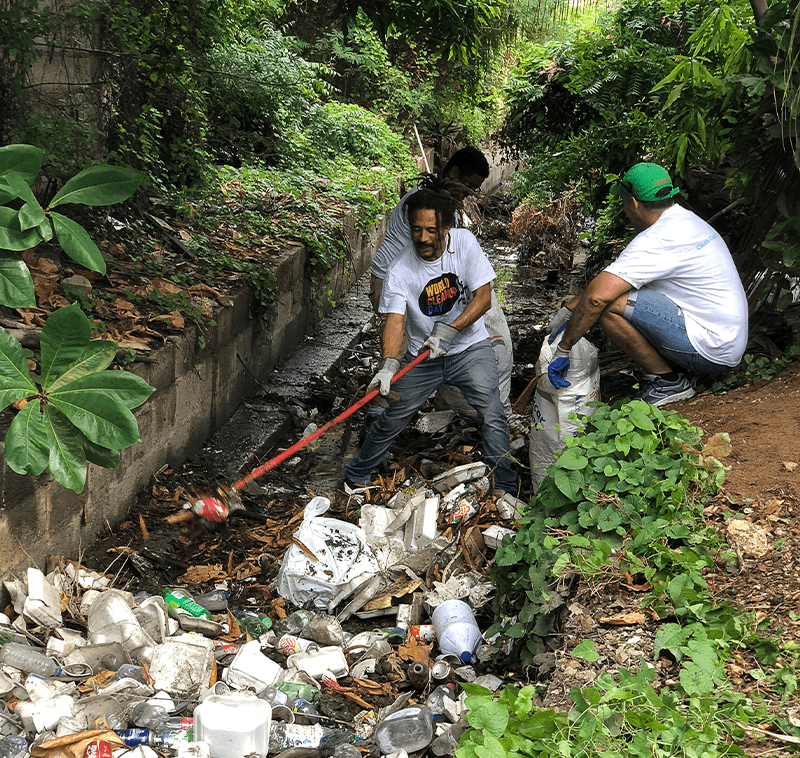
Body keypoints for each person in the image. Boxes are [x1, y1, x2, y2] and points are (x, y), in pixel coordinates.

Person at [345, 189, 517, 494]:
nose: (422, 238)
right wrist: (388, 365)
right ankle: (356, 474)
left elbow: (483, 297)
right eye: (416, 229)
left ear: (446, 229)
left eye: (431, 230)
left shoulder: (464, 244)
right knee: (392, 414)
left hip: (469, 350)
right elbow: (395, 321)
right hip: (422, 355)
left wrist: (450, 330)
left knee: (492, 412)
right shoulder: (400, 270)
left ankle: (504, 485)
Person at [545, 162, 748, 407]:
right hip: (725, 339)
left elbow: (598, 297)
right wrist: (569, 309)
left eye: (624, 203)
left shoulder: (657, 239)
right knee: (618, 291)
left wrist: (564, 349)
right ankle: (673, 370)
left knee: (609, 304)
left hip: (712, 349)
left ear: (634, 203)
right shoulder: (684, 221)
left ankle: (667, 381)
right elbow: (609, 280)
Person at [370, 146, 514, 414]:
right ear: (455, 173)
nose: (470, 194)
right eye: (468, 186)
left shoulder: (445, 208)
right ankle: (379, 412)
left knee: (423, 341)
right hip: (393, 280)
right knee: (401, 348)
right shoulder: (422, 203)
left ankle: (394, 403)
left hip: (414, 280)